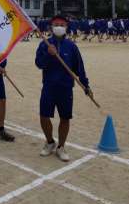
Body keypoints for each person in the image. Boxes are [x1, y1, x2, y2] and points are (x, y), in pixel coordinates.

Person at [35, 15, 90, 162]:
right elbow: (39, 64)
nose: (59, 27)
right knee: (44, 116)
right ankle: (50, 142)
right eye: (56, 24)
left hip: (66, 88)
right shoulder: (44, 44)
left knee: (65, 118)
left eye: (62, 24)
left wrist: (86, 85)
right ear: (51, 27)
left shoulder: (71, 46)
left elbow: (79, 67)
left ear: (66, 27)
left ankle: (61, 146)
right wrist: (49, 54)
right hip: (49, 86)